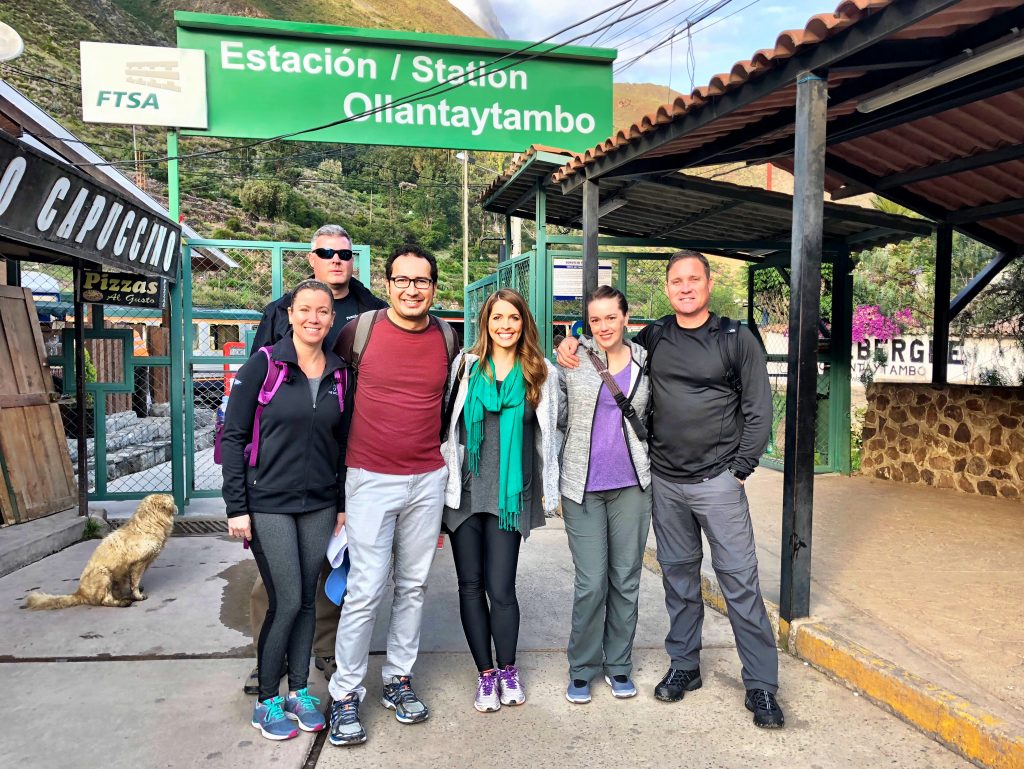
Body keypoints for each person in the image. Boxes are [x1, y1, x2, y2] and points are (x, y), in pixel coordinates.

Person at [556, 251, 782, 728]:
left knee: (740, 582)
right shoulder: (655, 337)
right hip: (666, 482)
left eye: (692, 279)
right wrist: (570, 344)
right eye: (676, 281)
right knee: (680, 582)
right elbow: (607, 343)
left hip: (717, 482)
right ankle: (685, 666)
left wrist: (739, 469)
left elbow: (760, 407)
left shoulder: (735, 337)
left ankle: (760, 685)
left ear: (707, 282)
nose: (684, 287)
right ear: (666, 288)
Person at [244, 224, 386, 696]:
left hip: (337, 453)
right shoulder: (280, 312)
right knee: (277, 580)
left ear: (353, 260)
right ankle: (272, 656)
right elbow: (254, 389)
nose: (336, 259)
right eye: (326, 252)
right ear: (311, 258)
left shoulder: (371, 312)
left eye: (344, 253)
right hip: (279, 470)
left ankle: (322, 650)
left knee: (332, 567)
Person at [327, 244, 456, 747]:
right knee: (364, 589)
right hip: (369, 477)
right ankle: (345, 693)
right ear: (387, 284)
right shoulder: (358, 332)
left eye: (421, 281)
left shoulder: (446, 336)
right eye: (402, 280)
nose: (411, 289)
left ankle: (398, 679)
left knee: (414, 585)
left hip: (428, 477)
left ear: (433, 288)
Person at [222, 279, 352, 740]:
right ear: (290, 315)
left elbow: (341, 445)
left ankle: (299, 690)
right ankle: (267, 701)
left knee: (306, 600)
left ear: (332, 319)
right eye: (305, 310)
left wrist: (338, 503)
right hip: (267, 504)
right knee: (288, 599)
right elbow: (234, 437)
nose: (314, 318)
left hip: (318, 503)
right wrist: (237, 506)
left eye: (323, 311)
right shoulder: (263, 365)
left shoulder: (339, 373)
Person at [441, 288, 560, 713]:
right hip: (466, 496)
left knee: (501, 588)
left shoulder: (539, 372)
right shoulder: (466, 368)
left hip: (510, 497)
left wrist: (552, 487)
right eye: (497, 318)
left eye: (512, 318)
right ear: (486, 323)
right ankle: (485, 675)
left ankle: (508, 669)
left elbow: (553, 431)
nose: (505, 325)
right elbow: (447, 427)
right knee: (469, 586)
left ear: (523, 322)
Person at [557, 285, 652, 705]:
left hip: (632, 485)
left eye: (610, 317)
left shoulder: (646, 361)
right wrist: (569, 337)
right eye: (594, 320)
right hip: (583, 488)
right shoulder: (573, 359)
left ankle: (618, 666)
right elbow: (556, 415)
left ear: (626, 318)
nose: (604, 326)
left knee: (626, 579)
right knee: (592, 582)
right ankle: (581, 668)